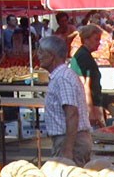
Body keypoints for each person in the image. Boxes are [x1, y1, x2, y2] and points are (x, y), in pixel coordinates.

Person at [39, 36, 93, 165]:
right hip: (70, 140)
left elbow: (72, 113)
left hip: (71, 141)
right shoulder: (61, 76)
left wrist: (68, 149)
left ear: (52, 56)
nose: (38, 56)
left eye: (41, 52)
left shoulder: (62, 78)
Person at [69, 25, 106, 130]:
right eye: (96, 39)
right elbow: (84, 86)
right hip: (89, 105)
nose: (99, 43)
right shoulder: (83, 56)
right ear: (86, 39)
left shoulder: (85, 55)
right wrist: (91, 112)